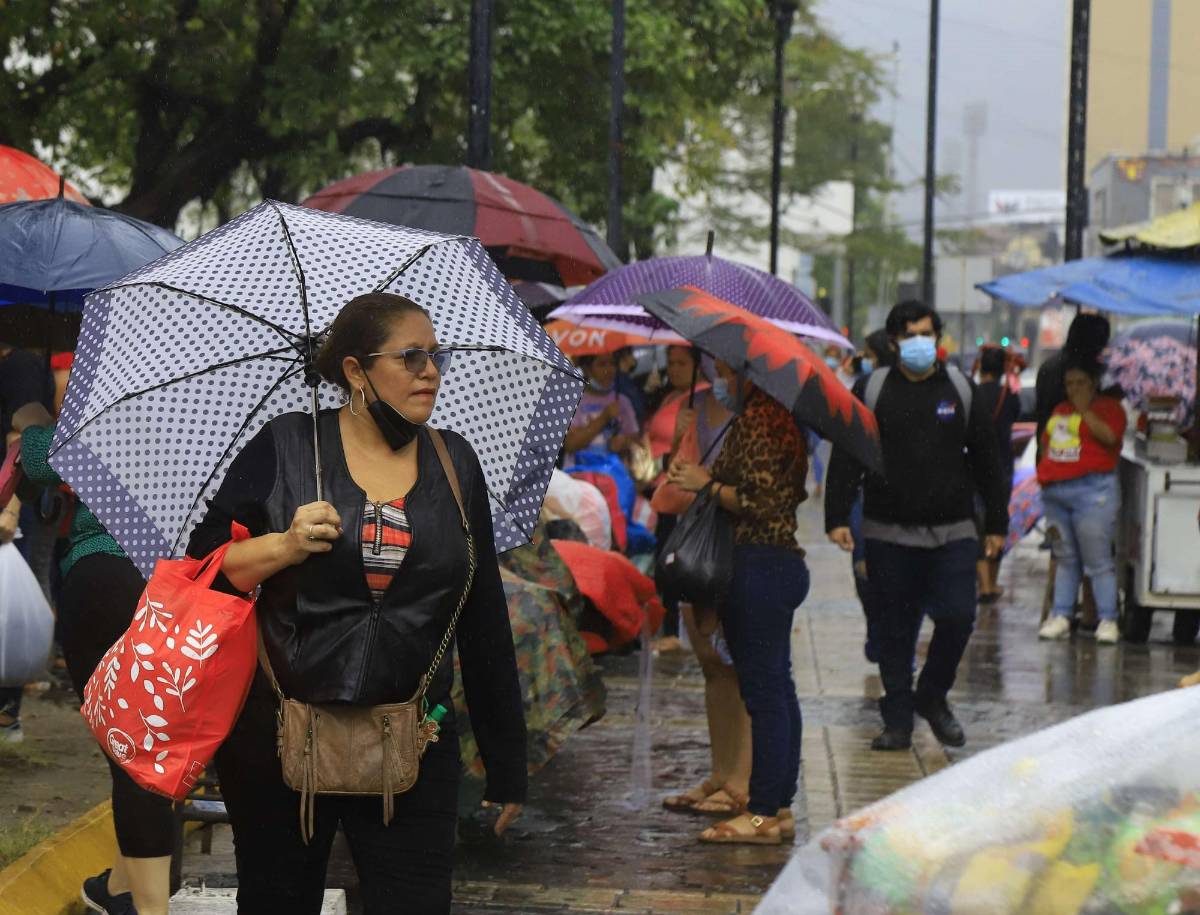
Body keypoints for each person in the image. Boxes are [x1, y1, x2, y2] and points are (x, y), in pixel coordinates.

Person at [187, 293, 526, 914]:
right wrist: (286, 545)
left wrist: (507, 761)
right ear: (354, 370)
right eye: (411, 356)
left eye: (436, 356)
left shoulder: (456, 464)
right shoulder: (286, 445)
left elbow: (481, 613)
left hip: (415, 743)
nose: (431, 371)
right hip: (282, 743)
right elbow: (208, 570)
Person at [10, 401, 174, 915]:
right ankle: (124, 887)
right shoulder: (221, 419)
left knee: (134, 755)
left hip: (109, 576)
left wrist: (29, 425)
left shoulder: (120, 402)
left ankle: (148, 907)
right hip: (186, 589)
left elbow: (42, 459)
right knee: (159, 748)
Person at [826, 300, 1007, 752]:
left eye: (927, 333)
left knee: (958, 617)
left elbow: (988, 462)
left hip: (953, 532)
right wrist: (836, 516)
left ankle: (932, 696)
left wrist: (997, 524)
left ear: (939, 338)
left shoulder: (961, 391)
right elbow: (849, 452)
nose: (920, 343)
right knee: (894, 630)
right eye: (910, 335)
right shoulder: (872, 389)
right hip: (888, 532)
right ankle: (899, 719)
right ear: (894, 342)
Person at [667, 359, 809, 845]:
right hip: (771, 565)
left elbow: (760, 502)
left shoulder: (763, 422)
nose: (721, 380)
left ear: (752, 374)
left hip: (760, 565)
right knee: (776, 689)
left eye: (728, 371)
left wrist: (706, 484)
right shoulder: (774, 419)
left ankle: (764, 811)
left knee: (765, 692)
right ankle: (780, 806)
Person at [1036, 356, 1127, 645]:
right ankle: (1061, 614)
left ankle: (1108, 618)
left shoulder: (1109, 409)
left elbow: (1110, 437)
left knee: (1097, 559)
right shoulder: (1060, 410)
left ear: (1094, 384)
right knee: (1065, 557)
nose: (1073, 389)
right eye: (1069, 384)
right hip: (1056, 492)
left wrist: (1085, 410)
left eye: (1080, 383)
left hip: (1093, 491)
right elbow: (1046, 442)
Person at [646, 346, 730, 650]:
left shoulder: (727, 403)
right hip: (685, 503)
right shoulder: (679, 399)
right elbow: (676, 465)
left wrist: (707, 484)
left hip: (720, 518)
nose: (675, 369)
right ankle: (679, 630)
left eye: (682, 363)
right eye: (671, 363)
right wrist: (681, 436)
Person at [0, 341, 56, 744]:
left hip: (7, 505)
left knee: (7, 613)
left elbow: (24, 440)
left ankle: (7, 714)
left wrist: (11, 510)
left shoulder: (20, 365)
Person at [975, 346, 1021, 602]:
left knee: (977, 522)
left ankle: (981, 584)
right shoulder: (1009, 397)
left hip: (974, 466)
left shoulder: (972, 394)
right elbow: (1015, 417)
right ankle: (992, 582)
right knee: (997, 520)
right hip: (1002, 466)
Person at [1035, 313, 1111, 463]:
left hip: (1048, 454)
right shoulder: (1088, 373)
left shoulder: (1048, 366)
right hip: (1077, 460)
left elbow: (1041, 411)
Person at [563, 352, 639, 465]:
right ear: (587, 369)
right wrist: (604, 418)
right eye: (602, 364)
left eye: (612, 364)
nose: (609, 370)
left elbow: (634, 438)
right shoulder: (574, 400)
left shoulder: (622, 401)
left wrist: (623, 442)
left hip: (614, 474)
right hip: (580, 474)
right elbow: (571, 444)